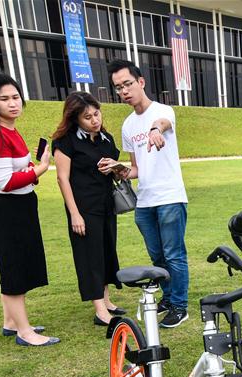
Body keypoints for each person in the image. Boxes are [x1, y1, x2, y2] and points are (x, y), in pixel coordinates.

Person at [0, 73, 58, 347]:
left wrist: (32, 171)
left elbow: (15, 172)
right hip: (8, 208)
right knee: (14, 266)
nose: (12, 103)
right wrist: (41, 168)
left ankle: (11, 322)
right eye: (4, 99)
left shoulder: (9, 130)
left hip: (20, 205)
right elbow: (5, 182)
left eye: (15, 97)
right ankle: (24, 331)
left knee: (15, 263)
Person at [104, 59, 189, 328]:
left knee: (174, 254)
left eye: (127, 84)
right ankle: (168, 296)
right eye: (118, 88)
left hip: (170, 198)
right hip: (145, 201)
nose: (124, 91)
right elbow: (137, 169)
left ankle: (179, 306)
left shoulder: (163, 111)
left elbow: (163, 123)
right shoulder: (128, 125)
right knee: (157, 256)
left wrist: (154, 129)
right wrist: (119, 169)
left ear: (141, 82)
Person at [51, 92, 125, 327]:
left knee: (105, 252)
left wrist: (115, 166)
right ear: (75, 119)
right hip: (83, 208)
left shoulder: (105, 139)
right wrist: (74, 213)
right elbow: (62, 179)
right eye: (87, 117)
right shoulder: (66, 141)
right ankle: (100, 310)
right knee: (89, 256)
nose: (94, 120)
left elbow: (117, 171)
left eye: (96, 113)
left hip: (106, 205)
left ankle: (106, 299)